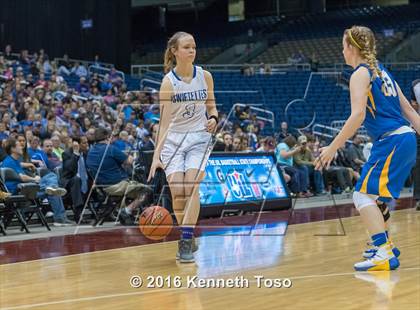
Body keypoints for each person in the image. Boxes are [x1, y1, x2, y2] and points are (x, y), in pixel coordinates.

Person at [315, 26, 420, 271]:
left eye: (343, 46)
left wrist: (332, 147)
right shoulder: (382, 71)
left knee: (361, 195)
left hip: (392, 140)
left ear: (351, 48)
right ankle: (384, 245)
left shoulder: (361, 74)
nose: (342, 51)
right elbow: (410, 112)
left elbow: (358, 115)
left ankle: (382, 251)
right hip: (405, 139)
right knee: (374, 198)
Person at [148, 31, 218, 263]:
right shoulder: (168, 83)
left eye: (194, 47)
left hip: (198, 138)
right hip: (174, 141)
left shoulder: (205, 76)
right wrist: (156, 156)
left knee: (192, 186)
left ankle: (185, 239)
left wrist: (214, 119)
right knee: (178, 193)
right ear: (174, 51)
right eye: (187, 47)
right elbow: (164, 123)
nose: (192, 51)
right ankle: (187, 232)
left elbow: (212, 106)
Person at [411, 79, 420, 210]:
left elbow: (413, 106)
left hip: (417, 126)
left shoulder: (415, 84)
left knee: (417, 163)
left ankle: (419, 198)